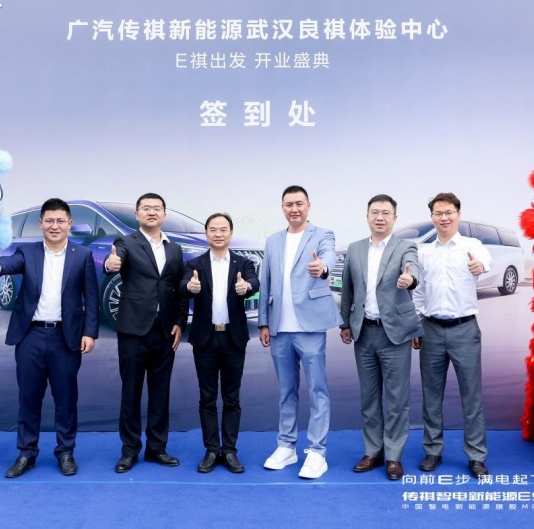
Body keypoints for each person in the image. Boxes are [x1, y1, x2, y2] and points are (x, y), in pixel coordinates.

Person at [0, 198, 99, 478]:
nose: (54, 226)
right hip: (30, 336)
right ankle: (26, 453)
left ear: (70, 224)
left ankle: (65, 452)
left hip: (66, 338)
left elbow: (92, 298)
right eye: (49, 220)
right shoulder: (28, 251)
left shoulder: (82, 255)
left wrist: (90, 332)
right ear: (41, 223)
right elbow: (9, 263)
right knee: (29, 398)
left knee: (66, 399)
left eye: (60, 221)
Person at [257, 185, 342, 479]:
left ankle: (317, 452)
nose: (294, 209)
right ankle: (286, 446)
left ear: (308, 206)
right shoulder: (272, 241)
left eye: (299, 203)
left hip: (310, 327)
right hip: (279, 328)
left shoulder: (323, 234)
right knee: (286, 391)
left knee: (318, 389)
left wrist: (323, 267)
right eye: (289, 204)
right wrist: (264, 322)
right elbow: (266, 282)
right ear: (283, 207)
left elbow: (329, 258)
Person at [339, 194, 422, 481]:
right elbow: (347, 289)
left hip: (394, 334)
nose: (380, 217)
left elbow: (413, 267)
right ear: (367, 216)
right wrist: (345, 323)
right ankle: (372, 451)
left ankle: (394, 456)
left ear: (395, 218)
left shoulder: (405, 247)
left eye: (386, 213)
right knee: (369, 397)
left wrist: (410, 279)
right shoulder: (355, 249)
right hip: (363, 333)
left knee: (397, 399)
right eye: (375, 212)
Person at [103, 193, 188, 473]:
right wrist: (110, 264)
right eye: (146, 208)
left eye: (157, 208)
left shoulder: (175, 249)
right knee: (131, 392)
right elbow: (115, 260)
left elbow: (179, 288)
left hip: (165, 331)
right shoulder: (126, 242)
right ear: (137, 214)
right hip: (133, 330)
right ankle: (129, 451)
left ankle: (157, 449)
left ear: (164, 214)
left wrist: (180, 322)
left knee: (160, 393)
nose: (152, 212)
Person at [412, 192, 492, 478]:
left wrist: (479, 266)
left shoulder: (472, 246)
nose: (444, 218)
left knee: (472, 397)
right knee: (431, 395)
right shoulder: (424, 252)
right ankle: (432, 450)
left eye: (449, 212)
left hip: (464, 330)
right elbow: (418, 292)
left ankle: (476, 456)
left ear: (458, 214)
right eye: (438, 213)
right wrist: (416, 324)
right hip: (430, 329)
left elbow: (485, 262)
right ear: (432, 217)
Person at [181, 213, 260, 474]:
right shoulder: (195, 263)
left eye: (223, 229)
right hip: (204, 339)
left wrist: (247, 287)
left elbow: (254, 281)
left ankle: (230, 450)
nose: (218, 234)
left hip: (232, 338)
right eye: (213, 229)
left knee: (231, 397)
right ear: (206, 234)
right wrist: (189, 287)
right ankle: (212, 450)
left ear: (231, 233)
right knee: (207, 398)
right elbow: (183, 284)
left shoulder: (243, 263)